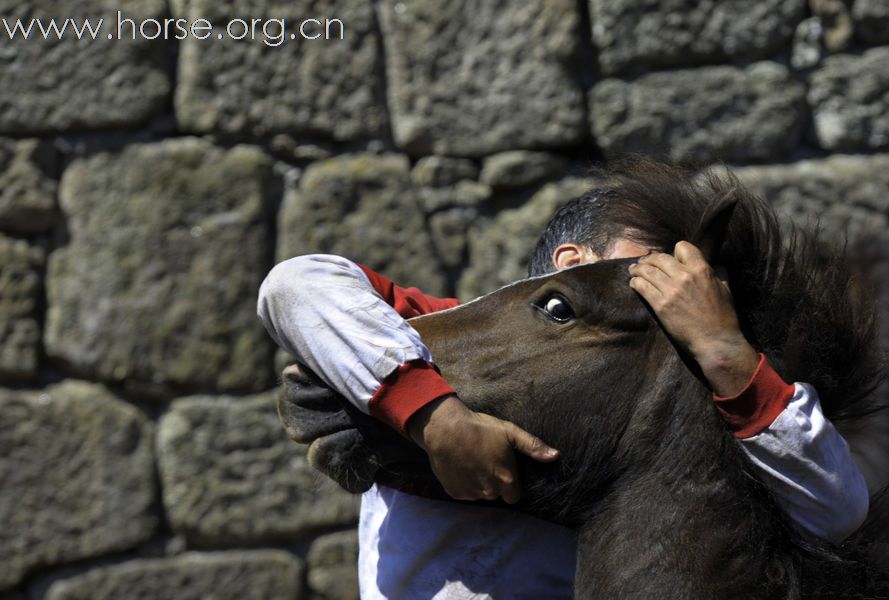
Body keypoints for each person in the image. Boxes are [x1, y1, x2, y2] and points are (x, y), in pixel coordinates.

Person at [257, 164, 869, 599]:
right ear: (575, 265)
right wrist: (440, 420)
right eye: (649, 271)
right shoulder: (424, 336)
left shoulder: (696, 389)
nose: (674, 291)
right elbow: (298, 285)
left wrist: (723, 349)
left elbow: (836, 508)